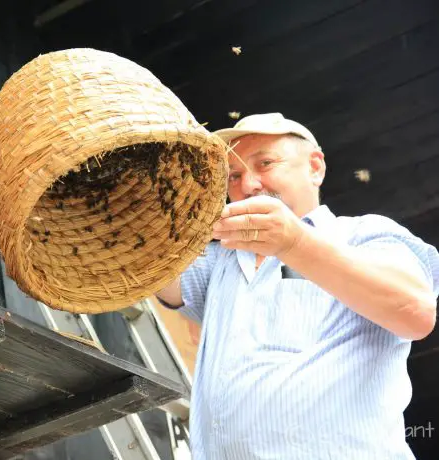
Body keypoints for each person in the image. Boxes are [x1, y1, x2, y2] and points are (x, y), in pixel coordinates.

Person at [155, 113, 439, 459]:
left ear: (315, 168)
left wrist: (293, 244)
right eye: (234, 176)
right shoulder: (219, 262)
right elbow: (151, 271)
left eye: (266, 163)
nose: (249, 185)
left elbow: (415, 313)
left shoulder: (362, 234)